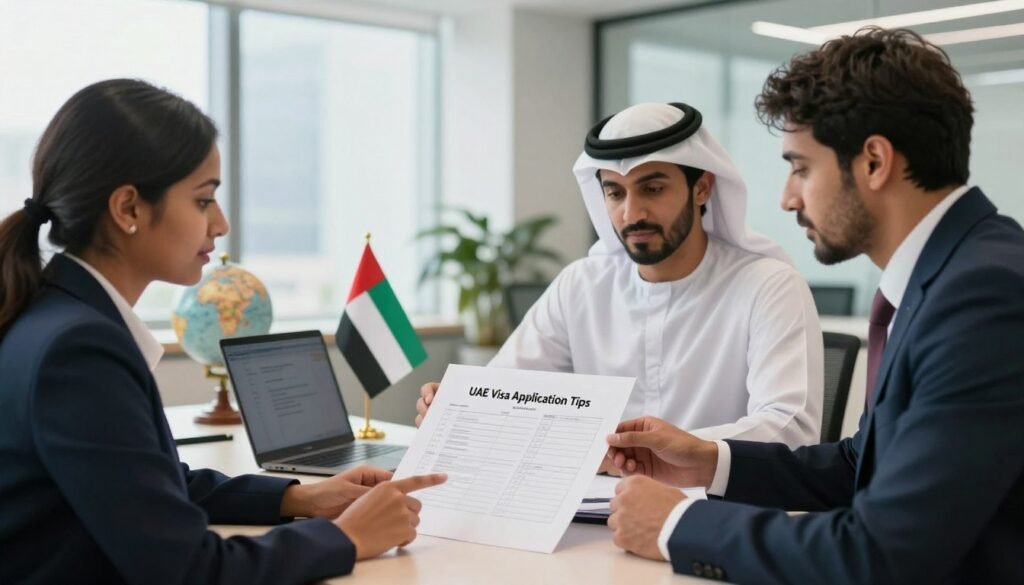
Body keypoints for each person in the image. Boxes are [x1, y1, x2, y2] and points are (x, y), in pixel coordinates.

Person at [604, 27, 1024, 585]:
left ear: (874, 161)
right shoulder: (949, 274)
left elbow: (882, 555)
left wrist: (678, 525)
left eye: (800, 166)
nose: (787, 197)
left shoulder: (983, 295)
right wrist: (708, 459)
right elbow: (862, 465)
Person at [0, 79, 445, 585]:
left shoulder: (55, 314)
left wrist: (298, 497)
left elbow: (144, 485)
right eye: (203, 201)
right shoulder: (78, 350)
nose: (222, 224)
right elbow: (187, 569)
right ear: (128, 209)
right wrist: (346, 538)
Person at [417, 102, 823, 451]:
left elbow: (789, 429)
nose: (631, 214)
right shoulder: (581, 285)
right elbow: (505, 390)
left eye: (653, 188)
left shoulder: (767, 286)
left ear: (702, 188)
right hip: (595, 506)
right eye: (615, 192)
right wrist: (458, 405)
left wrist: (669, 455)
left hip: (718, 511)